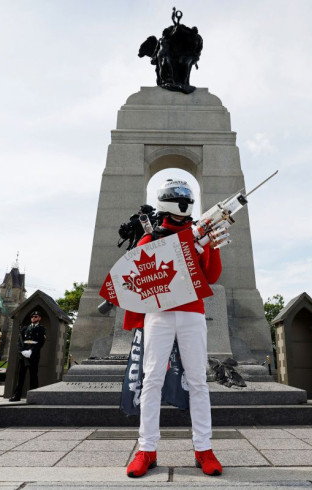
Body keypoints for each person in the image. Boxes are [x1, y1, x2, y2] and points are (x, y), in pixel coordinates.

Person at [124, 179, 224, 478]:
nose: (182, 202)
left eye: (186, 197)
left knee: (198, 381)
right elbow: (138, 275)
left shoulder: (199, 234)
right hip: (159, 314)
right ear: (167, 200)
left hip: (192, 312)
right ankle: (146, 449)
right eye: (178, 197)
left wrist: (211, 246)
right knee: (152, 379)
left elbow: (212, 275)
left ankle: (204, 449)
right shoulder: (150, 238)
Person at [9, 311, 46, 402]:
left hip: (33, 355)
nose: (34, 318)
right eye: (32, 317)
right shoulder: (25, 328)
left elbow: (41, 342)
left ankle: (33, 396)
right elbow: (19, 342)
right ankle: (17, 395)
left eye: (36, 316)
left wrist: (31, 351)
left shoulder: (41, 329)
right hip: (24, 355)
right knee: (21, 376)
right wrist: (22, 351)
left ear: (39, 318)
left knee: (33, 376)